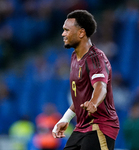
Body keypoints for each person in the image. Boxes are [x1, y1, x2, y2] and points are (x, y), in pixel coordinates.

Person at [52, 10, 120, 150]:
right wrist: (65, 119)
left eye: (66, 30)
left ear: (81, 33)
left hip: (100, 126)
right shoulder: (74, 58)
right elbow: (81, 99)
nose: (63, 34)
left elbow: (101, 86)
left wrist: (94, 103)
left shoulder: (95, 58)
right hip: (81, 127)